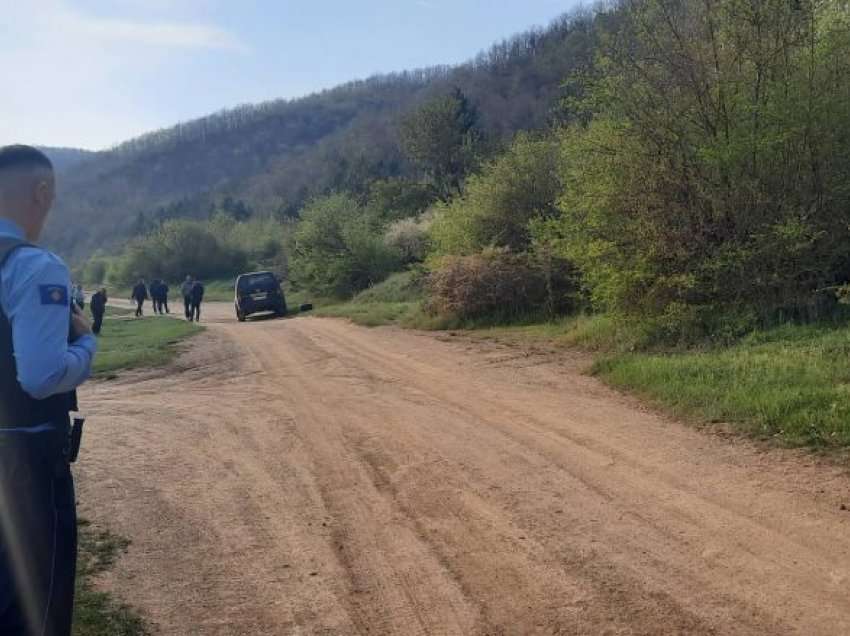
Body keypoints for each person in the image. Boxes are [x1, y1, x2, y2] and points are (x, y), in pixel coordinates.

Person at [0, 145, 97, 636]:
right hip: (25, 462)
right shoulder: (35, 267)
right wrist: (86, 344)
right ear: (41, 192)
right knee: (36, 607)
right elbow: (40, 378)